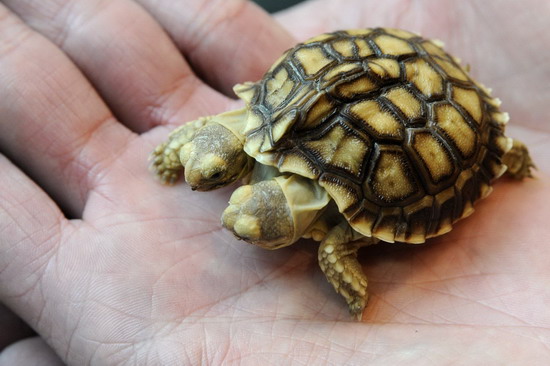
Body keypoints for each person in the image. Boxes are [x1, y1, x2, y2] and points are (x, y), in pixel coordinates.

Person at [0, 0, 549, 364]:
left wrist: (348, 277)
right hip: (378, 61)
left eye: (242, 218)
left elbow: (339, 239)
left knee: (362, 212)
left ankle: (500, 151)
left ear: (284, 233)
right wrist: (181, 154)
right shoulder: (257, 135)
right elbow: (218, 137)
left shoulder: (337, 234)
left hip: (438, 109)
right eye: (239, 206)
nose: (225, 215)